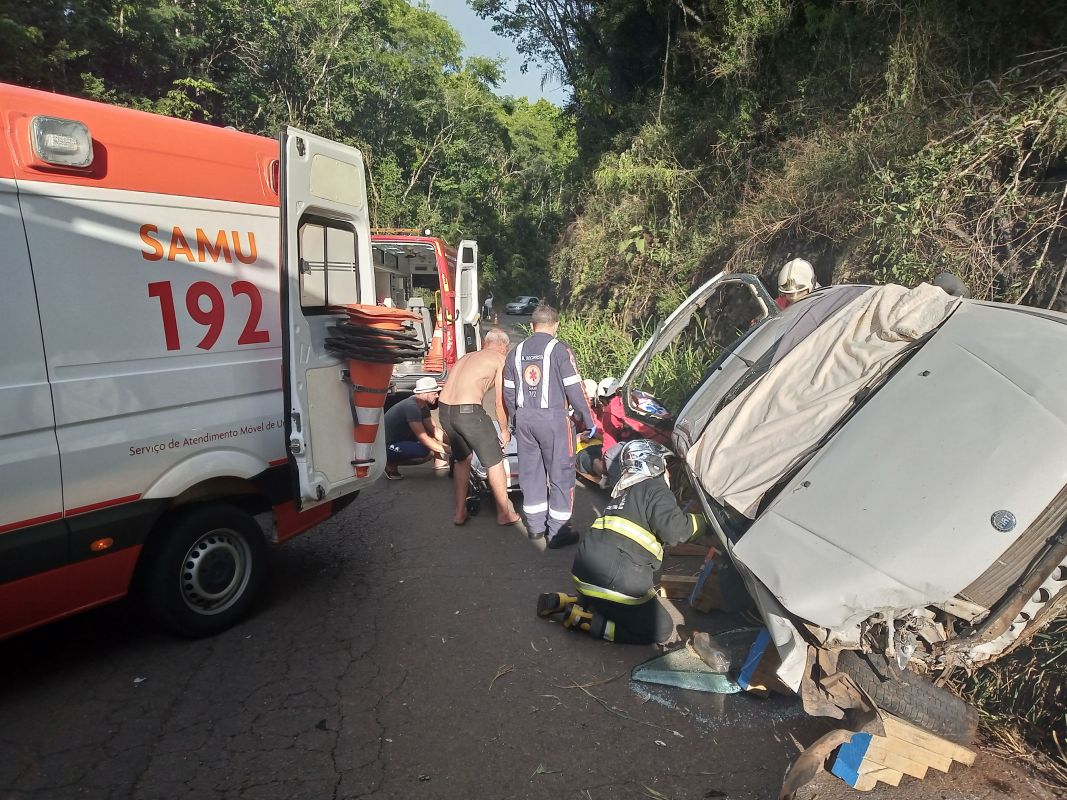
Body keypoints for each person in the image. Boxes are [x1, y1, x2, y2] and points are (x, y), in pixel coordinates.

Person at [537, 440, 709, 644]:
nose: (669, 473)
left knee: (611, 602)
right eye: (665, 466)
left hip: (585, 573)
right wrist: (703, 522)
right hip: (616, 580)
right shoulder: (655, 487)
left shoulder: (624, 492)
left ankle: (569, 602)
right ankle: (585, 621)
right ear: (652, 465)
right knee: (661, 630)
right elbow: (676, 531)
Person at [502, 304, 596, 547]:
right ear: (556, 325)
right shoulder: (560, 350)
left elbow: (509, 392)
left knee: (531, 473)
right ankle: (557, 531)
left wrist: (516, 419)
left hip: (524, 419)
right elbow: (575, 388)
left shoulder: (516, 351)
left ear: (532, 326)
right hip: (553, 419)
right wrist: (588, 419)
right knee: (561, 474)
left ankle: (534, 527)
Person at [438, 328, 521, 526]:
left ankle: (460, 512)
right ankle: (504, 513)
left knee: (462, 460)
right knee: (494, 461)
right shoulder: (500, 360)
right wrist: (504, 430)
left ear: (485, 343)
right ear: (503, 346)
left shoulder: (467, 356)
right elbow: (500, 402)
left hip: (445, 410)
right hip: (468, 412)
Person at [383, 376, 449, 480]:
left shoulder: (423, 405)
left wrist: (456, 444)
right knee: (427, 453)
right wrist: (448, 450)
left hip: (401, 438)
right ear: (425, 393)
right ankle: (389, 463)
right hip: (386, 445)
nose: (437, 396)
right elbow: (423, 438)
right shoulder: (411, 407)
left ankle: (439, 461)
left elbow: (434, 430)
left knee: (430, 433)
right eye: (434, 393)